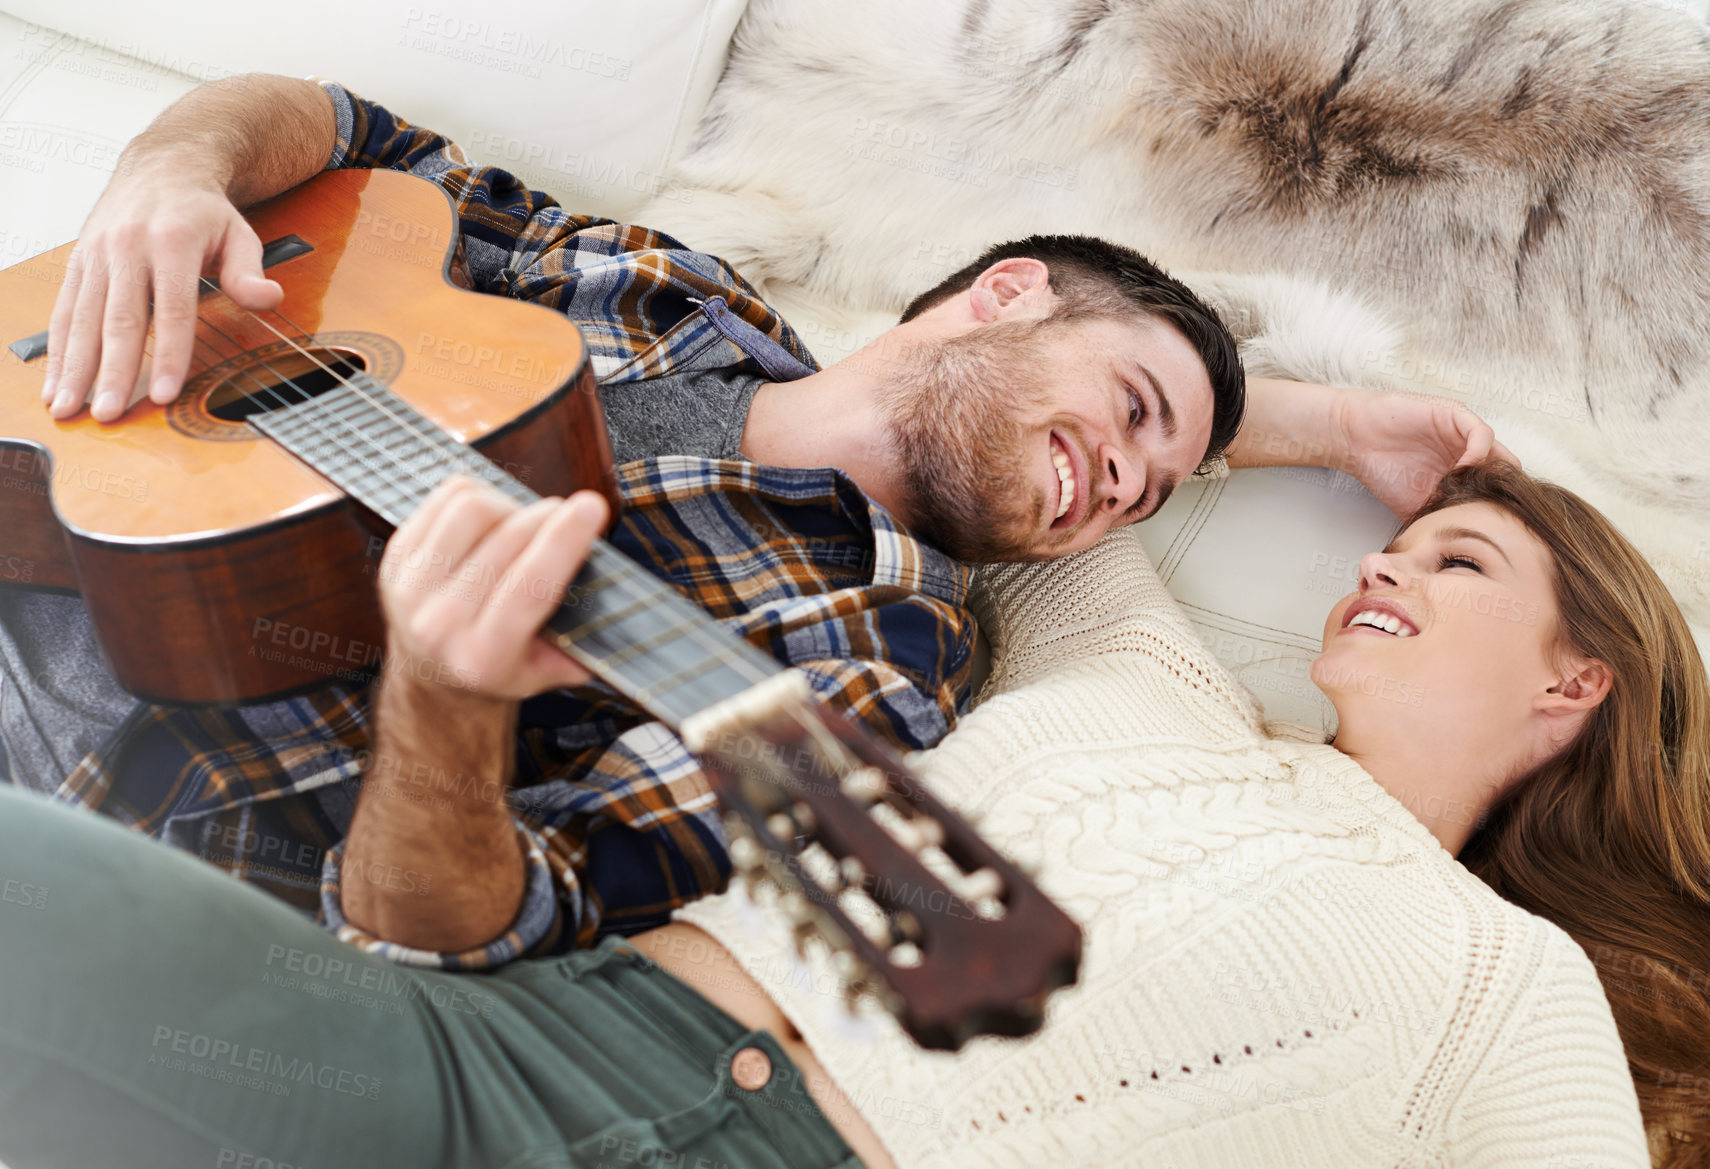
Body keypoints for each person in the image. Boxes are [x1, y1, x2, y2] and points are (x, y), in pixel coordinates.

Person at [2, 73, 1510, 965]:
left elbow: (482, 921)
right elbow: (351, 135)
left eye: (1157, 480)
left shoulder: (875, 666)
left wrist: (446, 702)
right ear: (1002, 294)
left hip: (68, 805)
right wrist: (170, 171)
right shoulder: (672, 292)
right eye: (1128, 407)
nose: (1125, 478)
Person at [2, 459, 1698, 1168]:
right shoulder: (1143, 676)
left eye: (1455, 559)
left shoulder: (1507, 984)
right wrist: (1327, 421)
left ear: (1573, 684)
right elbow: (1066, 479)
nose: (1387, 557)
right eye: (1394, 539)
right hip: (517, 1043)